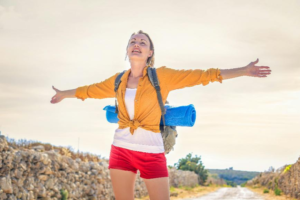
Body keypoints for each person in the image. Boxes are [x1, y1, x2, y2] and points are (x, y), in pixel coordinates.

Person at [50, 30, 271, 200]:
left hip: (151, 152)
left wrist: (243, 70)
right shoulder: (118, 80)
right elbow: (89, 90)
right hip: (121, 150)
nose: (136, 45)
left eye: (142, 42)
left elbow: (204, 76)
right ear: (127, 50)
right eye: (132, 42)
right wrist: (63, 94)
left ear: (150, 53)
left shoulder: (162, 76)